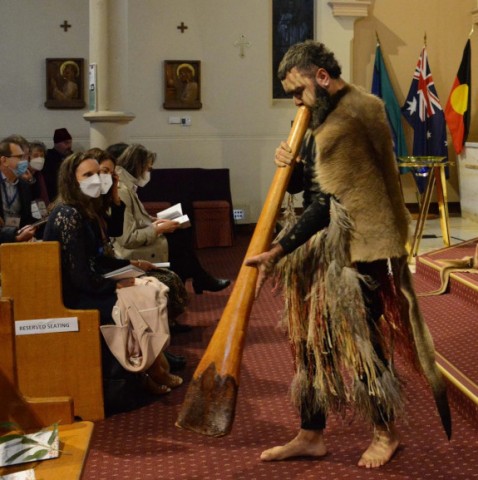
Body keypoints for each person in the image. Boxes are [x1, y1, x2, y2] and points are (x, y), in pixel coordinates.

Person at [245, 41, 450, 469]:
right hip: (325, 245)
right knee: (310, 343)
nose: (296, 101)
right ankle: (311, 433)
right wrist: (293, 162)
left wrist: (278, 249)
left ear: (322, 76)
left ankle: (385, 432)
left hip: (361, 247)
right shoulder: (320, 116)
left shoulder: (358, 113)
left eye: (298, 90)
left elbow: (331, 201)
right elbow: (313, 189)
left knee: (361, 346)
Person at [43, 151, 183, 415]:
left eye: (99, 174)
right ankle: (149, 371)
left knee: (151, 288)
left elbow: (108, 241)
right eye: (87, 175)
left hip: (92, 281)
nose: (96, 179)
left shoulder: (87, 209)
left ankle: (150, 367)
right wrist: (115, 285)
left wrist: (129, 271)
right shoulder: (67, 215)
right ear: (72, 181)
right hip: (74, 294)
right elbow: (79, 276)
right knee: (134, 302)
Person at [112, 144, 230, 294]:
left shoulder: (128, 187)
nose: (149, 173)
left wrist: (153, 220)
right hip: (128, 251)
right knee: (178, 244)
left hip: (137, 241)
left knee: (179, 235)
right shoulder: (123, 191)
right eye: (148, 169)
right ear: (138, 166)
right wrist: (158, 228)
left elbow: (136, 219)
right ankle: (193, 282)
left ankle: (193, 281)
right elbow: (127, 239)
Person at [0, 137, 37, 243]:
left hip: (18, 243)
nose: (25, 162)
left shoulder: (24, 185)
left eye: (25, 157)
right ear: (4, 160)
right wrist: (15, 238)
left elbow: (27, 218)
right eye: (20, 157)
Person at [43, 128, 73, 201]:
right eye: (66, 143)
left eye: (70, 143)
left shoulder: (72, 156)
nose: (69, 146)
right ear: (56, 144)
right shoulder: (48, 158)